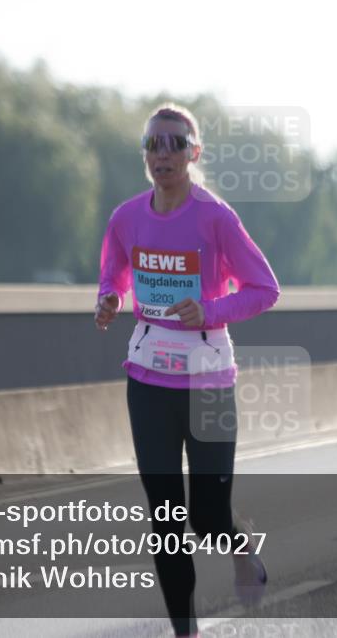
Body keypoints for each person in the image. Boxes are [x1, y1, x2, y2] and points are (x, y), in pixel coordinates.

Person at [94, 103, 279, 637]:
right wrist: (107, 299)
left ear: (194, 154)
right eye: (154, 143)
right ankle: (186, 632)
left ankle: (239, 542)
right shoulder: (126, 217)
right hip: (147, 379)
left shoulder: (216, 218)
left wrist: (211, 311)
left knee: (208, 519)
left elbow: (265, 289)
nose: (164, 153)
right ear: (145, 156)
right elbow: (115, 272)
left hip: (208, 382)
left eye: (176, 143)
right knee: (167, 522)